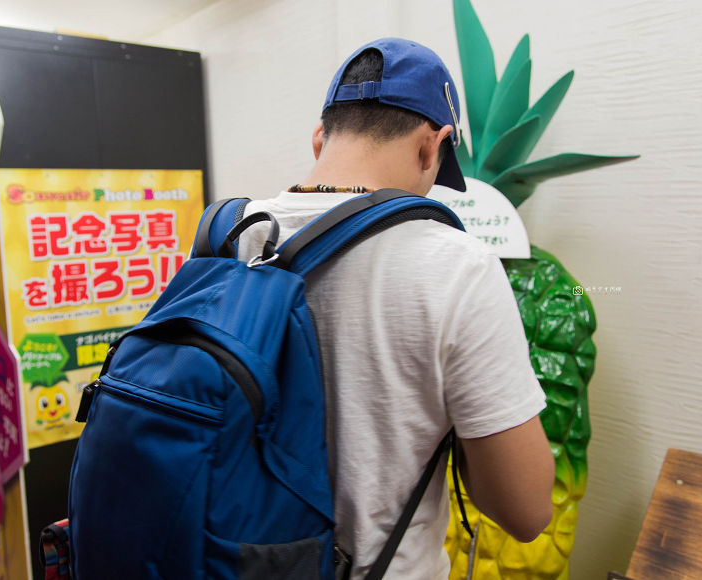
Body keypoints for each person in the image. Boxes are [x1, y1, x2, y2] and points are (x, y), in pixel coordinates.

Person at [236, 38, 555, 580]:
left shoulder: (230, 232)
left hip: (227, 558)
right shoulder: (459, 266)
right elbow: (524, 511)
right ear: (434, 147)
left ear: (319, 138)